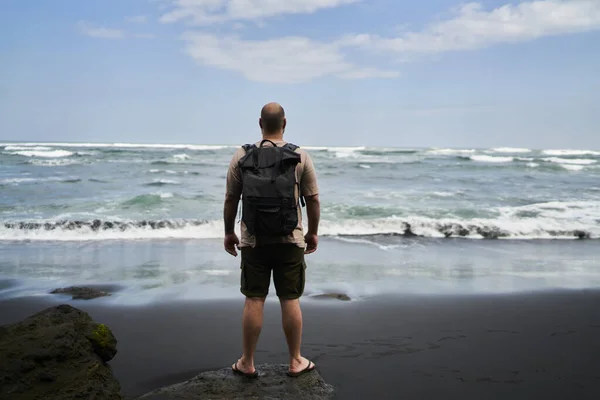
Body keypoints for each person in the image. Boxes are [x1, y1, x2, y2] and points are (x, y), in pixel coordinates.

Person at [223, 102, 320, 378]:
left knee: (254, 299)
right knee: (290, 299)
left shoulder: (242, 155)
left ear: (260, 123)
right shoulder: (300, 155)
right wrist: (312, 232)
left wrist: (229, 232)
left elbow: (231, 198)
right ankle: (295, 360)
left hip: (253, 241)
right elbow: (312, 199)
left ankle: (247, 362)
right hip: (290, 240)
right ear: (285, 123)